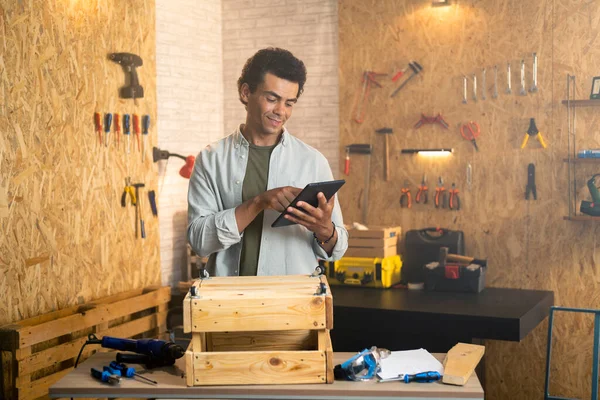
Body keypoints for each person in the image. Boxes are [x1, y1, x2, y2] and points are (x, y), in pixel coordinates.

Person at [187, 47, 348, 277]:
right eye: (272, 99)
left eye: (289, 103)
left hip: (293, 303)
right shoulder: (212, 159)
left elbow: (337, 250)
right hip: (230, 304)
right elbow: (199, 242)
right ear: (245, 92)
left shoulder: (312, 161)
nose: (280, 111)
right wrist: (259, 202)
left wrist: (326, 231)